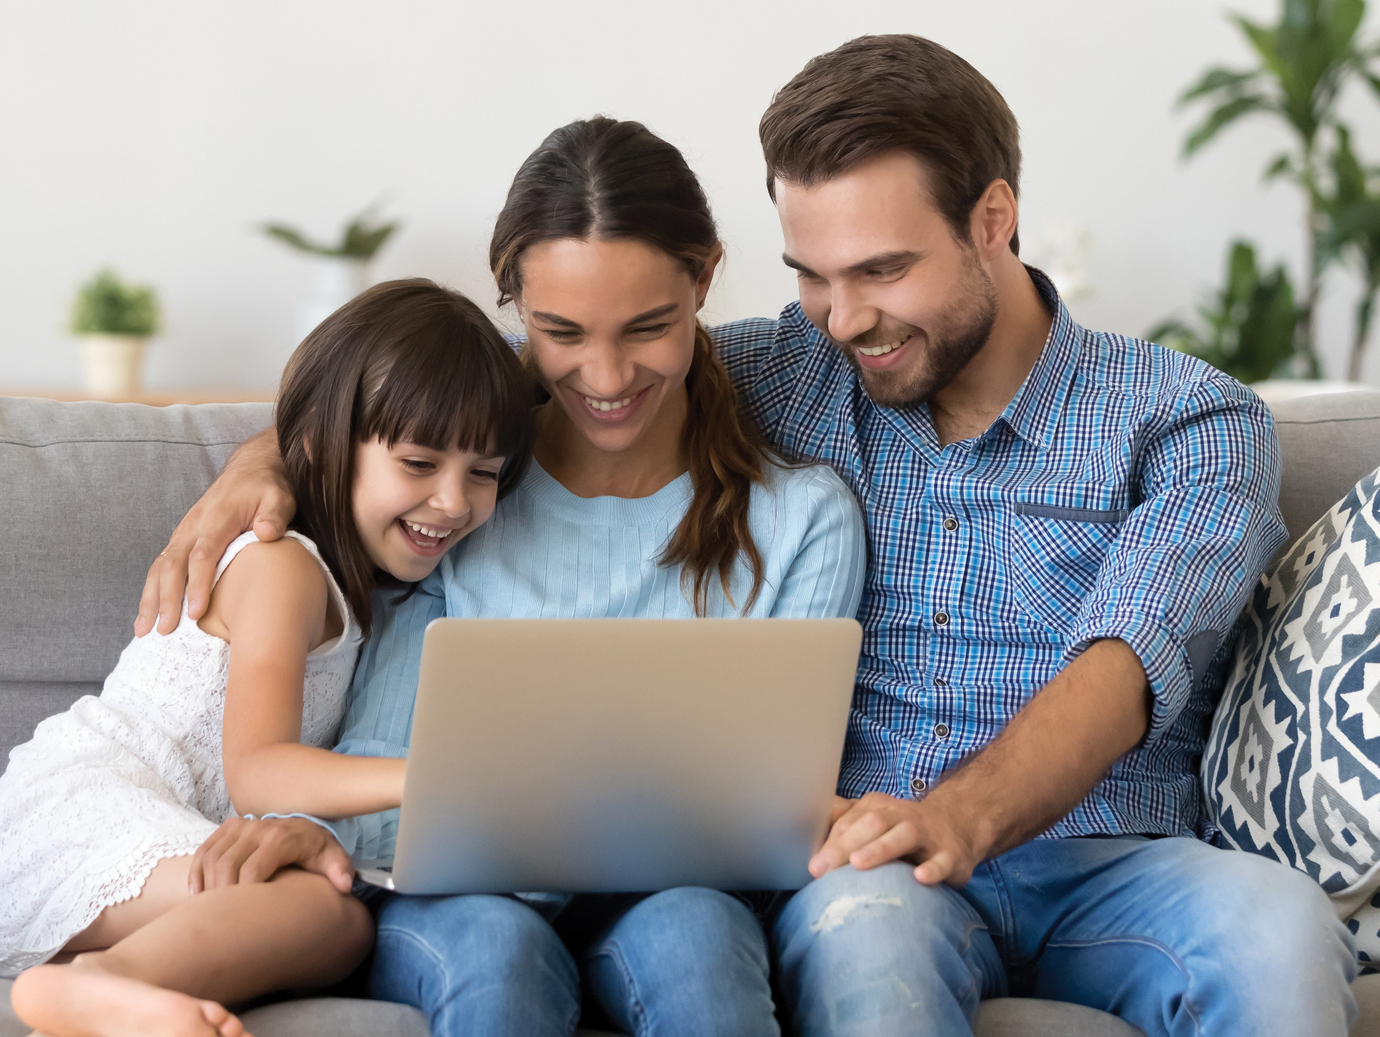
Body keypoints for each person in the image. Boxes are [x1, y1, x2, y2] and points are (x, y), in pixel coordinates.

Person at [136, 35, 1359, 1037]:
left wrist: (955, 814)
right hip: (871, 868)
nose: (842, 316)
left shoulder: (1188, 419)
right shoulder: (797, 366)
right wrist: (268, 463)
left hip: (1111, 853)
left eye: (881, 269)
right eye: (811, 274)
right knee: (869, 943)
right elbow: (477, 383)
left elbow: (1126, 662)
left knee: (1279, 929)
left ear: (995, 218)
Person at [135, 117, 867, 1037]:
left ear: (705, 279)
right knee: (496, 952)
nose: (606, 376)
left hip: (676, 891)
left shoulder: (802, 520)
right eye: (560, 331)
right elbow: (380, 732)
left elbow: (768, 800)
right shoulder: (465, 494)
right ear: (513, 300)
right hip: (456, 893)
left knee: (699, 940)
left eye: (648, 328)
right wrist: (263, 458)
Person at [4, 279, 533, 1037]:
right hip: (80, 809)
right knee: (318, 902)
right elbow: (258, 769)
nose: (454, 500)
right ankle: (97, 987)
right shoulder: (282, 566)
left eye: (483, 472)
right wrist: (438, 779)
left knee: (338, 919)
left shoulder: (363, 583)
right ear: (319, 448)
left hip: (172, 833)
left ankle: (110, 986)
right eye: (419, 463)